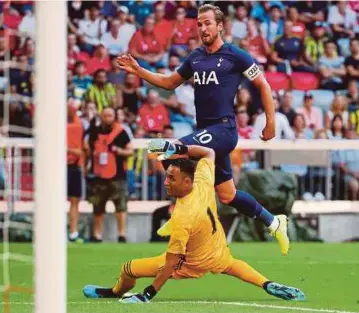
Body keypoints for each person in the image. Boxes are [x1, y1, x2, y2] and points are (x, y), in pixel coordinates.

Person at [117, 4, 290, 255]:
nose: (202, 28)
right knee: (228, 195)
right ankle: (274, 222)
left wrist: (270, 121)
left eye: (207, 23)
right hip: (206, 132)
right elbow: (169, 82)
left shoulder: (236, 55)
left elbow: (263, 84)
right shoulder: (195, 57)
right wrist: (138, 70)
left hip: (223, 130)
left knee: (169, 151)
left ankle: (179, 218)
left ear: (220, 26)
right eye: (199, 23)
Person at [83, 141, 305, 302]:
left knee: (129, 268)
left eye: (172, 178)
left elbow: (170, 264)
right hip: (216, 249)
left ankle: (114, 292)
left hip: (189, 263)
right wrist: (179, 149)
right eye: (167, 176)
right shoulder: (202, 180)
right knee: (231, 264)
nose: (166, 182)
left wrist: (147, 294)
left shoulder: (182, 217)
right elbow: (208, 152)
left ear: (186, 181)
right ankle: (267, 284)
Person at [87, 108, 133, 243]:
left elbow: (130, 151)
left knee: (121, 207)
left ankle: (122, 234)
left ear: (114, 117)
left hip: (117, 175)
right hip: (98, 175)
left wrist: (118, 151)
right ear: (101, 116)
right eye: (105, 115)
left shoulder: (121, 132)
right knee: (98, 208)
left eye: (110, 115)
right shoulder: (94, 132)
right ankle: (97, 234)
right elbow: (88, 148)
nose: (107, 118)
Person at [67, 105, 84, 243]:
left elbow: (82, 150)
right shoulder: (56, 126)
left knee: (74, 200)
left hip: (74, 167)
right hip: (59, 167)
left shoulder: (79, 126)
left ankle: (73, 232)